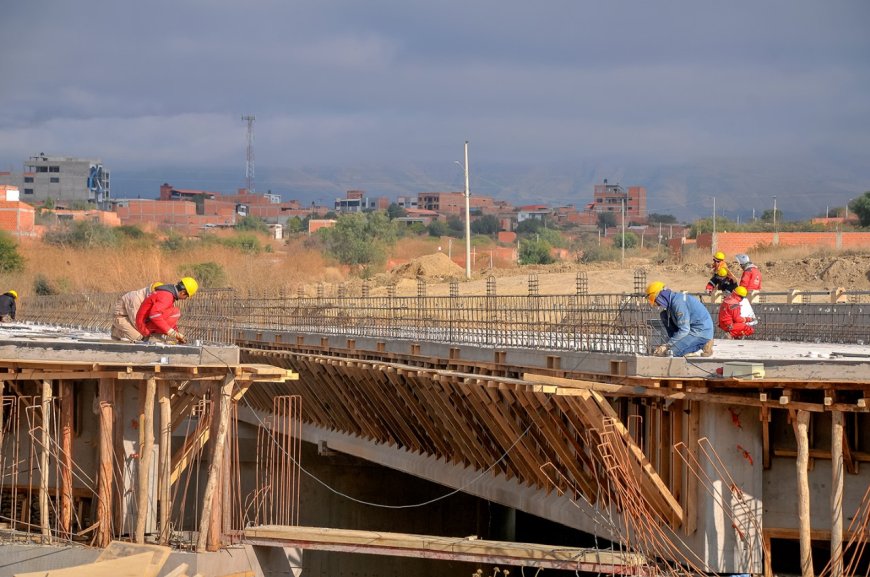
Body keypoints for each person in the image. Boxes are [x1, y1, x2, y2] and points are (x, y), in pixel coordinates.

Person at [647, 281, 714, 357]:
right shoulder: (672, 303)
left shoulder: (678, 303)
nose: (656, 304)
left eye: (654, 299)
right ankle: (681, 347)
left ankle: (705, 343)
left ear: (661, 295)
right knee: (664, 315)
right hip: (689, 329)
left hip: (700, 331)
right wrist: (668, 344)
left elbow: (684, 330)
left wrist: (667, 345)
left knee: (671, 352)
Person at [136, 277, 198, 344]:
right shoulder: (167, 296)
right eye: (187, 296)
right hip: (144, 326)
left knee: (173, 312)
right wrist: (171, 332)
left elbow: (168, 319)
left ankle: (154, 335)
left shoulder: (167, 294)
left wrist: (176, 334)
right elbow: (154, 314)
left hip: (144, 323)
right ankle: (154, 336)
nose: (185, 299)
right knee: (176, 312)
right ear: (183, 293)